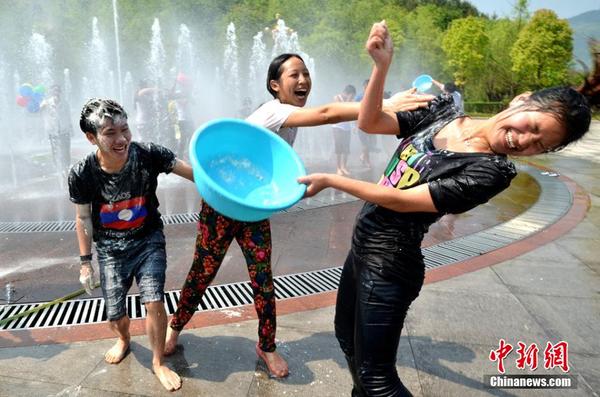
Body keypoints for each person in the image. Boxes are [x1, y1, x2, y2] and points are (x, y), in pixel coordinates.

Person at [298, 21, 596, 397]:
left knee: (378, 379)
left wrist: (331, 179)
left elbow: (402, 200)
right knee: (347, 339)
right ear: (522, 100)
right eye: (532, 125)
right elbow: (370, 122)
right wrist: (381, 66)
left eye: (540, 144)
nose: (524, 140)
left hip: (392, 264)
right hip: (363, 246)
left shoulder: (493, 170)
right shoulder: (443, 110)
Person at [165, 53, 433, 378]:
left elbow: (273, 166)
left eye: (306, 73)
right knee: (202, 272)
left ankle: (266, 345)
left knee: (262, 277)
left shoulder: (288, 117)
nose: (303, 80)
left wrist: (287, 190)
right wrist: (387, 103)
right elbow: (325, 114)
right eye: (295, 75)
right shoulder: (274, 111)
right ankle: (175, 327)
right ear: (275, 85)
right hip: (222, 204)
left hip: (252, 209)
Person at [69, 98, 194, 392]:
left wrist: (226, 186)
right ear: (92, 137)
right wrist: (86, 263)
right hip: (110, 250)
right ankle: (124, 338)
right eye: (110, 132)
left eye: (125, 129)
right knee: (115, 314)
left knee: (153, 299)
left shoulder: (149, 154)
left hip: (148, 238)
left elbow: (192, 174)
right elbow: (83, 218)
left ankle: (157, 362)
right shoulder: (82, 172)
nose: (121, 138)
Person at [41, 84, 73, 182]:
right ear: (51, 92)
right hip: (53, 132)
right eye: (54, 91)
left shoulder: (65, 103)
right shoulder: (46, 103)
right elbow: (39, 111)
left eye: (58, 91)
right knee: (55, 152)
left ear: (60, 92)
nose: (56, 93)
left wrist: (71, 128)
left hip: (64, 130)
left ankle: (66, 170)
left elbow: (68, 116)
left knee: (66, 151)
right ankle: (59, 170)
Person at [332, 84, 356, 176]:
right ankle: (338, 168)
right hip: (337, 127)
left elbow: (352, 113)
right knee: (339, 147)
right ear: (348, 93)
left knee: (346, 148)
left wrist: (353, 126)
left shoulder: (350, 101)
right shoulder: (337, 97)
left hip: (347, 127)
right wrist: (349, 101)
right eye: (352, 95)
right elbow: (341, 109)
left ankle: (344, 167)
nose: (352, 97)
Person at [355, 79, 377, 168]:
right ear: (364, 86)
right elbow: (355, 111)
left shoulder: (373, 95)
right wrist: (354, 124)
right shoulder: (359, 97)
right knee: (365, 143)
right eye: (367, 85)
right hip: (361, 123)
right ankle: (365, 159)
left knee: (371, 143)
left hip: (371, 122)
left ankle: (364, 157)